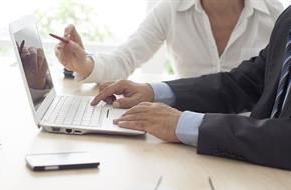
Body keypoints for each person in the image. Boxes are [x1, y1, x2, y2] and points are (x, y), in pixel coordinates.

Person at [90, 6, 291, 171]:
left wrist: (185, 124)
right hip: (259, 170)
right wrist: (153, 92)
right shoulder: (288, 19)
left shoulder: (273, 12)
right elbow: (242, 83)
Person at [55, 0, 283, 83]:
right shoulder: (171, 10)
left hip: (248, 139)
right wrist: (83, 63)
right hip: (185, 131)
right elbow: (125, 59)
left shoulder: (273, 14)